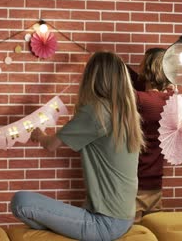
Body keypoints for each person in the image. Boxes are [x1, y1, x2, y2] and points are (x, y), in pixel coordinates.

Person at [10, 51, 145, 240]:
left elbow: (51, 145)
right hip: (125, 218)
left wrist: (39, 134)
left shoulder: (96, 111)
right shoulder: (124, 113)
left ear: (92, 77)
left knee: (21, 202)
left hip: (105, 223)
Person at [133, 48, 173, 223]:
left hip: (135, 181)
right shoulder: (171, 98)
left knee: (131, 234)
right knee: (155, 231)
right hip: (156, 183)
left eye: (142, 62)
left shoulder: (139, 99)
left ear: (148, 68)